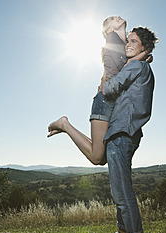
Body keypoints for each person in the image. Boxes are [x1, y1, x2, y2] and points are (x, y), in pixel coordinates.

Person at [47, 16, 150, 165]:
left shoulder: (122, 44)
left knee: (101, 158)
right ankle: (64, 125)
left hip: (112, 102)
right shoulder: (112, 39)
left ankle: (65, 127)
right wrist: (143, 55)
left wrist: (143, 56)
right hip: (105, 101)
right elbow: (123, 70)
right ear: (109, 29)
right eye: (113, 19)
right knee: (97, 157)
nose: (118, 17)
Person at [102, 27, 158, 233]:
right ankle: (123, 231)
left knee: (122, 190)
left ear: (145, 48)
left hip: (122, 133)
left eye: (133, 41)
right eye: (128, 40)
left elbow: (110, 88)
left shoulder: (137, 65)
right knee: (119, 187)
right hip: (126, 133)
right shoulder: (141, 66)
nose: (128, 44)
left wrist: (105, 86)